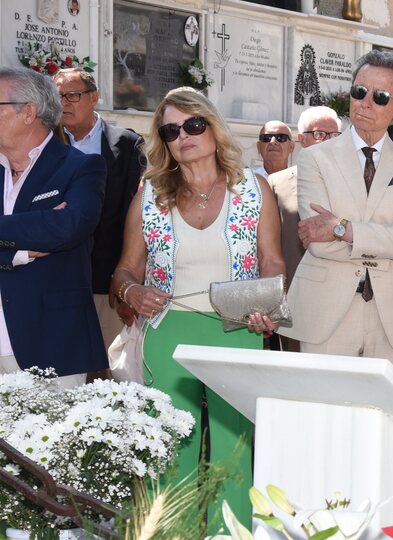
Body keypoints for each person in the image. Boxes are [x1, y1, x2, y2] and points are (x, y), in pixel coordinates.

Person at [110, 87, 285, 528]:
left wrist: (268, 307)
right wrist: (132, 293)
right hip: (167, 333)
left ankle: (233, 535)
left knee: (234, 451)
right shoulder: (150, 196)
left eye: (193, 124)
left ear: (212, 127)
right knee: (170, 453)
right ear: (163, 142)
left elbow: (273, 260)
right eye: (171, 130)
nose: (183, 135)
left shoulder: (252, 188)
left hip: (236, 330)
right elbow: (124, 271)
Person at [284, 50, 393, 373]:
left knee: (377, 419)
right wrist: (386, 241)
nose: (365, 102)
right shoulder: (314, 159)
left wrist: (343, 229)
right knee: (322, 415)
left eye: (380, 97)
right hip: (325, 311)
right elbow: (318, 242)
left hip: (391, 317)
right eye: (359, 91)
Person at [0, 67, 107, 388]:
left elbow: (68, 227)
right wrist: (19, 252)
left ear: (28, 112)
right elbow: (50, 227)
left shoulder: (80, 167)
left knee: (52, 440)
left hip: (52, 341)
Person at [53, 68, 145, 357]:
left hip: (108, 286)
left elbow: (136, 216)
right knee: (64, 368)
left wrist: (127, 283)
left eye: (73, 95)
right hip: (59, 281)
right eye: (58, 97)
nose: (64, 103)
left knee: (109, 371)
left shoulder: (127, 145)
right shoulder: (46, 145)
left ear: (94, 98)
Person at [267, 106, 341, 352]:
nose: (328, 141)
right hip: (294, 301)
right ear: (301, 138)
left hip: (340, 301)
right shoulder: (277, 183)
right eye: (320, 134)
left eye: (335, 135)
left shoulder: (353, 183)